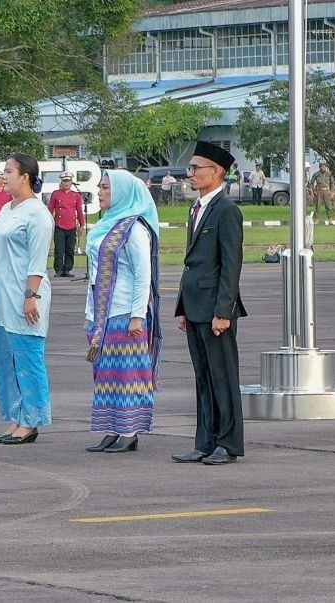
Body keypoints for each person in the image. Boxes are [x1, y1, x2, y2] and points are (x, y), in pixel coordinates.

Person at [173, 141, 247, 466]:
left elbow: (231, 266)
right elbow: (192, 264)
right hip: (195, 305)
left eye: (195, 168)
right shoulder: (197, 208)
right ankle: (205, 441)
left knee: (222, 377)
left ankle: (228, 443)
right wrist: (182, 308)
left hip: (215, 308)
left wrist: (223, 312)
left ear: (216, 172)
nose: (190, 174)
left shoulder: (227, 210)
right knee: (202, 377)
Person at [84, 170, 162, 453]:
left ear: (121, 192)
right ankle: (112, 428)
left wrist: (138, 315)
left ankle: (129, 431)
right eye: (100, 186)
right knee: (106, 373)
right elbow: (93, 273)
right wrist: (89, 313)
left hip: (125, 312)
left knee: (127, 372)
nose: (100, 191)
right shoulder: (104, 224)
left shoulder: (133, 228)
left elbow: (144, 276)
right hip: (101, 313)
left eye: (105, 187)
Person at [0, 153, 53, 445]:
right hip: (0, 298)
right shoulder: (6, 209)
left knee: (27, 358)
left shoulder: (37, 213)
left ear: (25, 176)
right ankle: (15, 416)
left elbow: (37, 260)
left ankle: (31, 420)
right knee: (5, 361)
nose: (4, 176)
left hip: (24, 296)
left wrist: (30, 296)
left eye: (9, 171)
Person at [47, 171, 85, 278]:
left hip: (72, 225)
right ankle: (58, 269)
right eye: (64, 181)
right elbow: (50, 208)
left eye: (68, 181)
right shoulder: (56, 193)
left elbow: (79, 210)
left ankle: (67, 269)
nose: (66, 183)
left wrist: (82, 224)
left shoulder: (76, 195)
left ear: (71, 182)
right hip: (59, 225)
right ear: (61, 182)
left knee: (69, 249)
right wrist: (48, 221)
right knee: (59, 249)